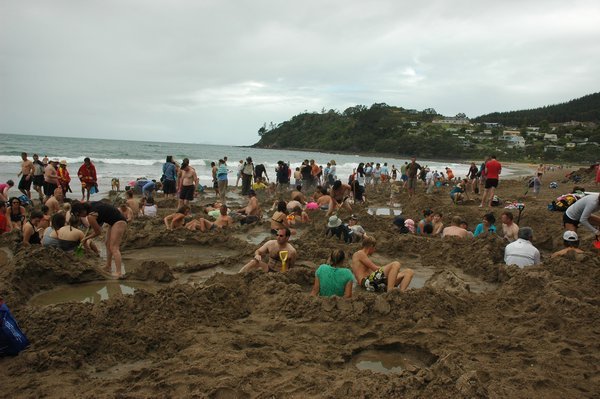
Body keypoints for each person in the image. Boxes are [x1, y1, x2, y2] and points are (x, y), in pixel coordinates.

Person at [71, 201, 128, 277]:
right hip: (112, 222)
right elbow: (102, 213)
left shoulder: (90, 216)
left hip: (119, 221)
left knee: (114, 247)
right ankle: (108, 266)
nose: (80, 217)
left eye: (78, 215)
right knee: (107, 244)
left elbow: (98, 232)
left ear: (81, 211)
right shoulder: (91, 205)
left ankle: (119, 272)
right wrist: (95, 222)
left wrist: (85, 239)